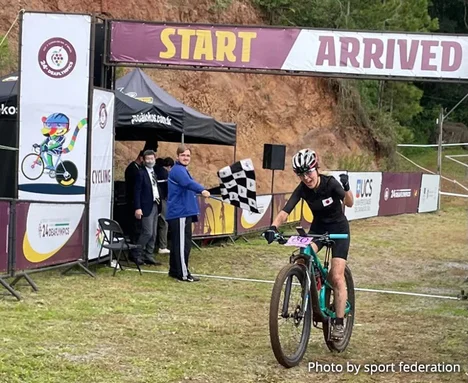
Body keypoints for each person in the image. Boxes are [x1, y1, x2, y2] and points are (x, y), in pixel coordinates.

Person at [263, 148, 354, 341]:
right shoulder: (303, 189)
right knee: (303, 255)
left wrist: (346, 188)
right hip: (319, 229)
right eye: (301, 174)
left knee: (337, 277)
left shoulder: (330, 184)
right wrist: (273, 227)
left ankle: (338, 322)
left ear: (316, 169)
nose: (306, 177)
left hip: (339, 229)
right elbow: (286, 210)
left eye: (309, 172)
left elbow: (350, 202)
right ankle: (313, 289)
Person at [166, 145, 210, 282]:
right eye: (183, 155)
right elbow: (187, 183)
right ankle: (183, 274)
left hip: (184, 212)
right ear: (178, 156)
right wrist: (202, 190)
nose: (186, 158)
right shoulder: (178, 170)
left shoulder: (183, 170)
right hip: (180, 212)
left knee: (179, 244)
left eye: (188, 156)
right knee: (181, 245)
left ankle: (174, 271)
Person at [134, 150, 163, 266]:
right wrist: (137, 207)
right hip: (145, 206)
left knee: (154, 233)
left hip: (155, 204)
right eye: (148, 159)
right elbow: (137, 191)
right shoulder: (140, 173)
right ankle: (136, 254)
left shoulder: (153, 172)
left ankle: (149, 255)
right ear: (143, 160)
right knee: (147, 232)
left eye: (152, 158)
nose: (150, 161)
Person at [154, 158, 170, 254]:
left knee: (153, 223)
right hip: (162, 199)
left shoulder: (151, 171)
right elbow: (168, 188)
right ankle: (162, 246)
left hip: (152, 200)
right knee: (163, 222)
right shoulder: (164, 172)